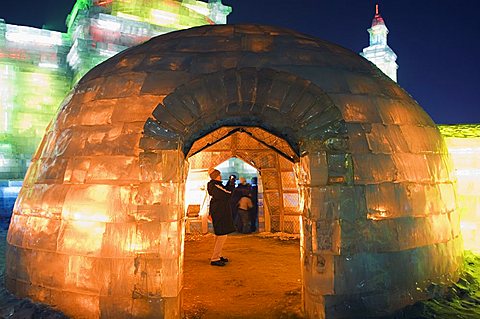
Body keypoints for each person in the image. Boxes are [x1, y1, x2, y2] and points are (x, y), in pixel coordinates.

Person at [207, 169, 236, 266]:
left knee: (220, 235)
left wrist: (230, 182)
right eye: (219, 174)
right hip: (220, 213)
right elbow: (228, 194)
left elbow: (225, 190)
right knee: (222, 235)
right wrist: (231, 184)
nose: (221, 176)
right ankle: (215, 258)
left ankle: (217, 255)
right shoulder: (215, 186)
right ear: (216, 176)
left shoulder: (216, 185)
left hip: (220, 212)